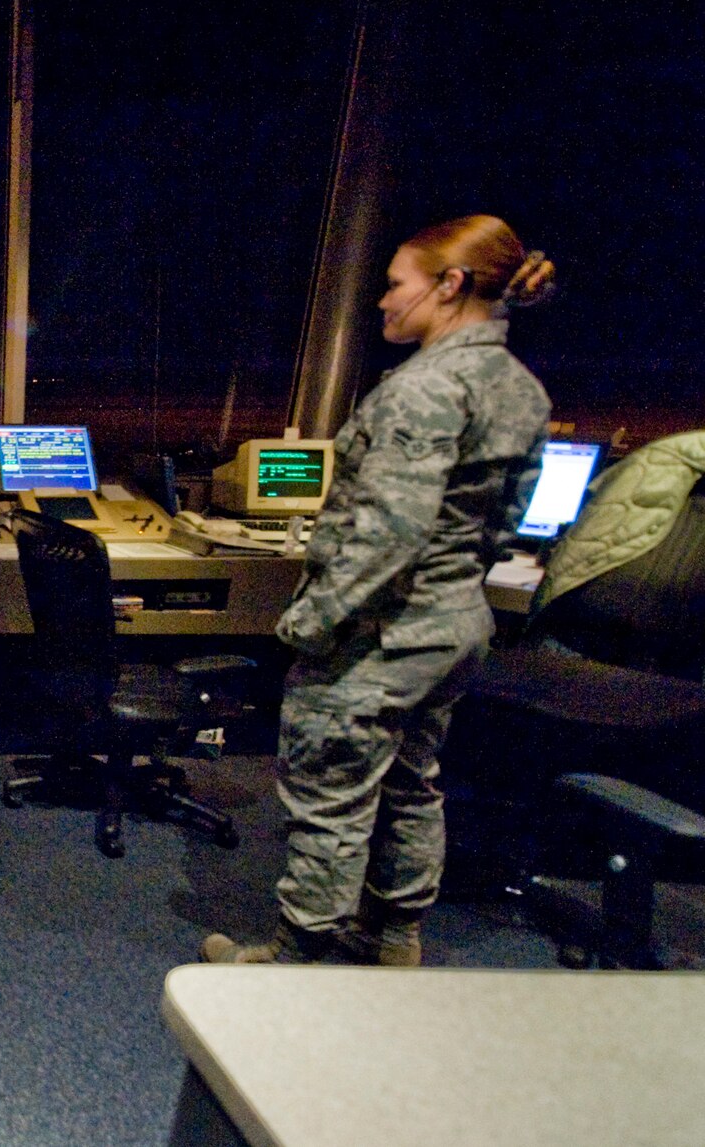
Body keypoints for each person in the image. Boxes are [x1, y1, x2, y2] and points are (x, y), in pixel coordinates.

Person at [203, 214, 555, 966]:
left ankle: (296, 957)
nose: (383, 300)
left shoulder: (424, 388)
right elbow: (507, 519)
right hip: (454, 623)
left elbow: (389, 533)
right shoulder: (522, 390)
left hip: (382, 632)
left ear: (449, 285)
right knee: (410, 783)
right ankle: (393, 937)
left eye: (396, 284)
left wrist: (310, 623)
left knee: (329, 787)